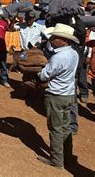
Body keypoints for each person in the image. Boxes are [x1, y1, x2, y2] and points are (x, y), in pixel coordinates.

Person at [36, 24, 79, 169]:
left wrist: (39, 71)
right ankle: (67, 157)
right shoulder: (74, 53)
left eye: (55, 37)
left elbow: (44, 75)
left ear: (64, 41)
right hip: (69, 94)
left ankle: (57, 160)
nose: (52, 39)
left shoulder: (58, 57)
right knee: (66, 127)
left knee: (55, 128)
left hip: (56, 95)